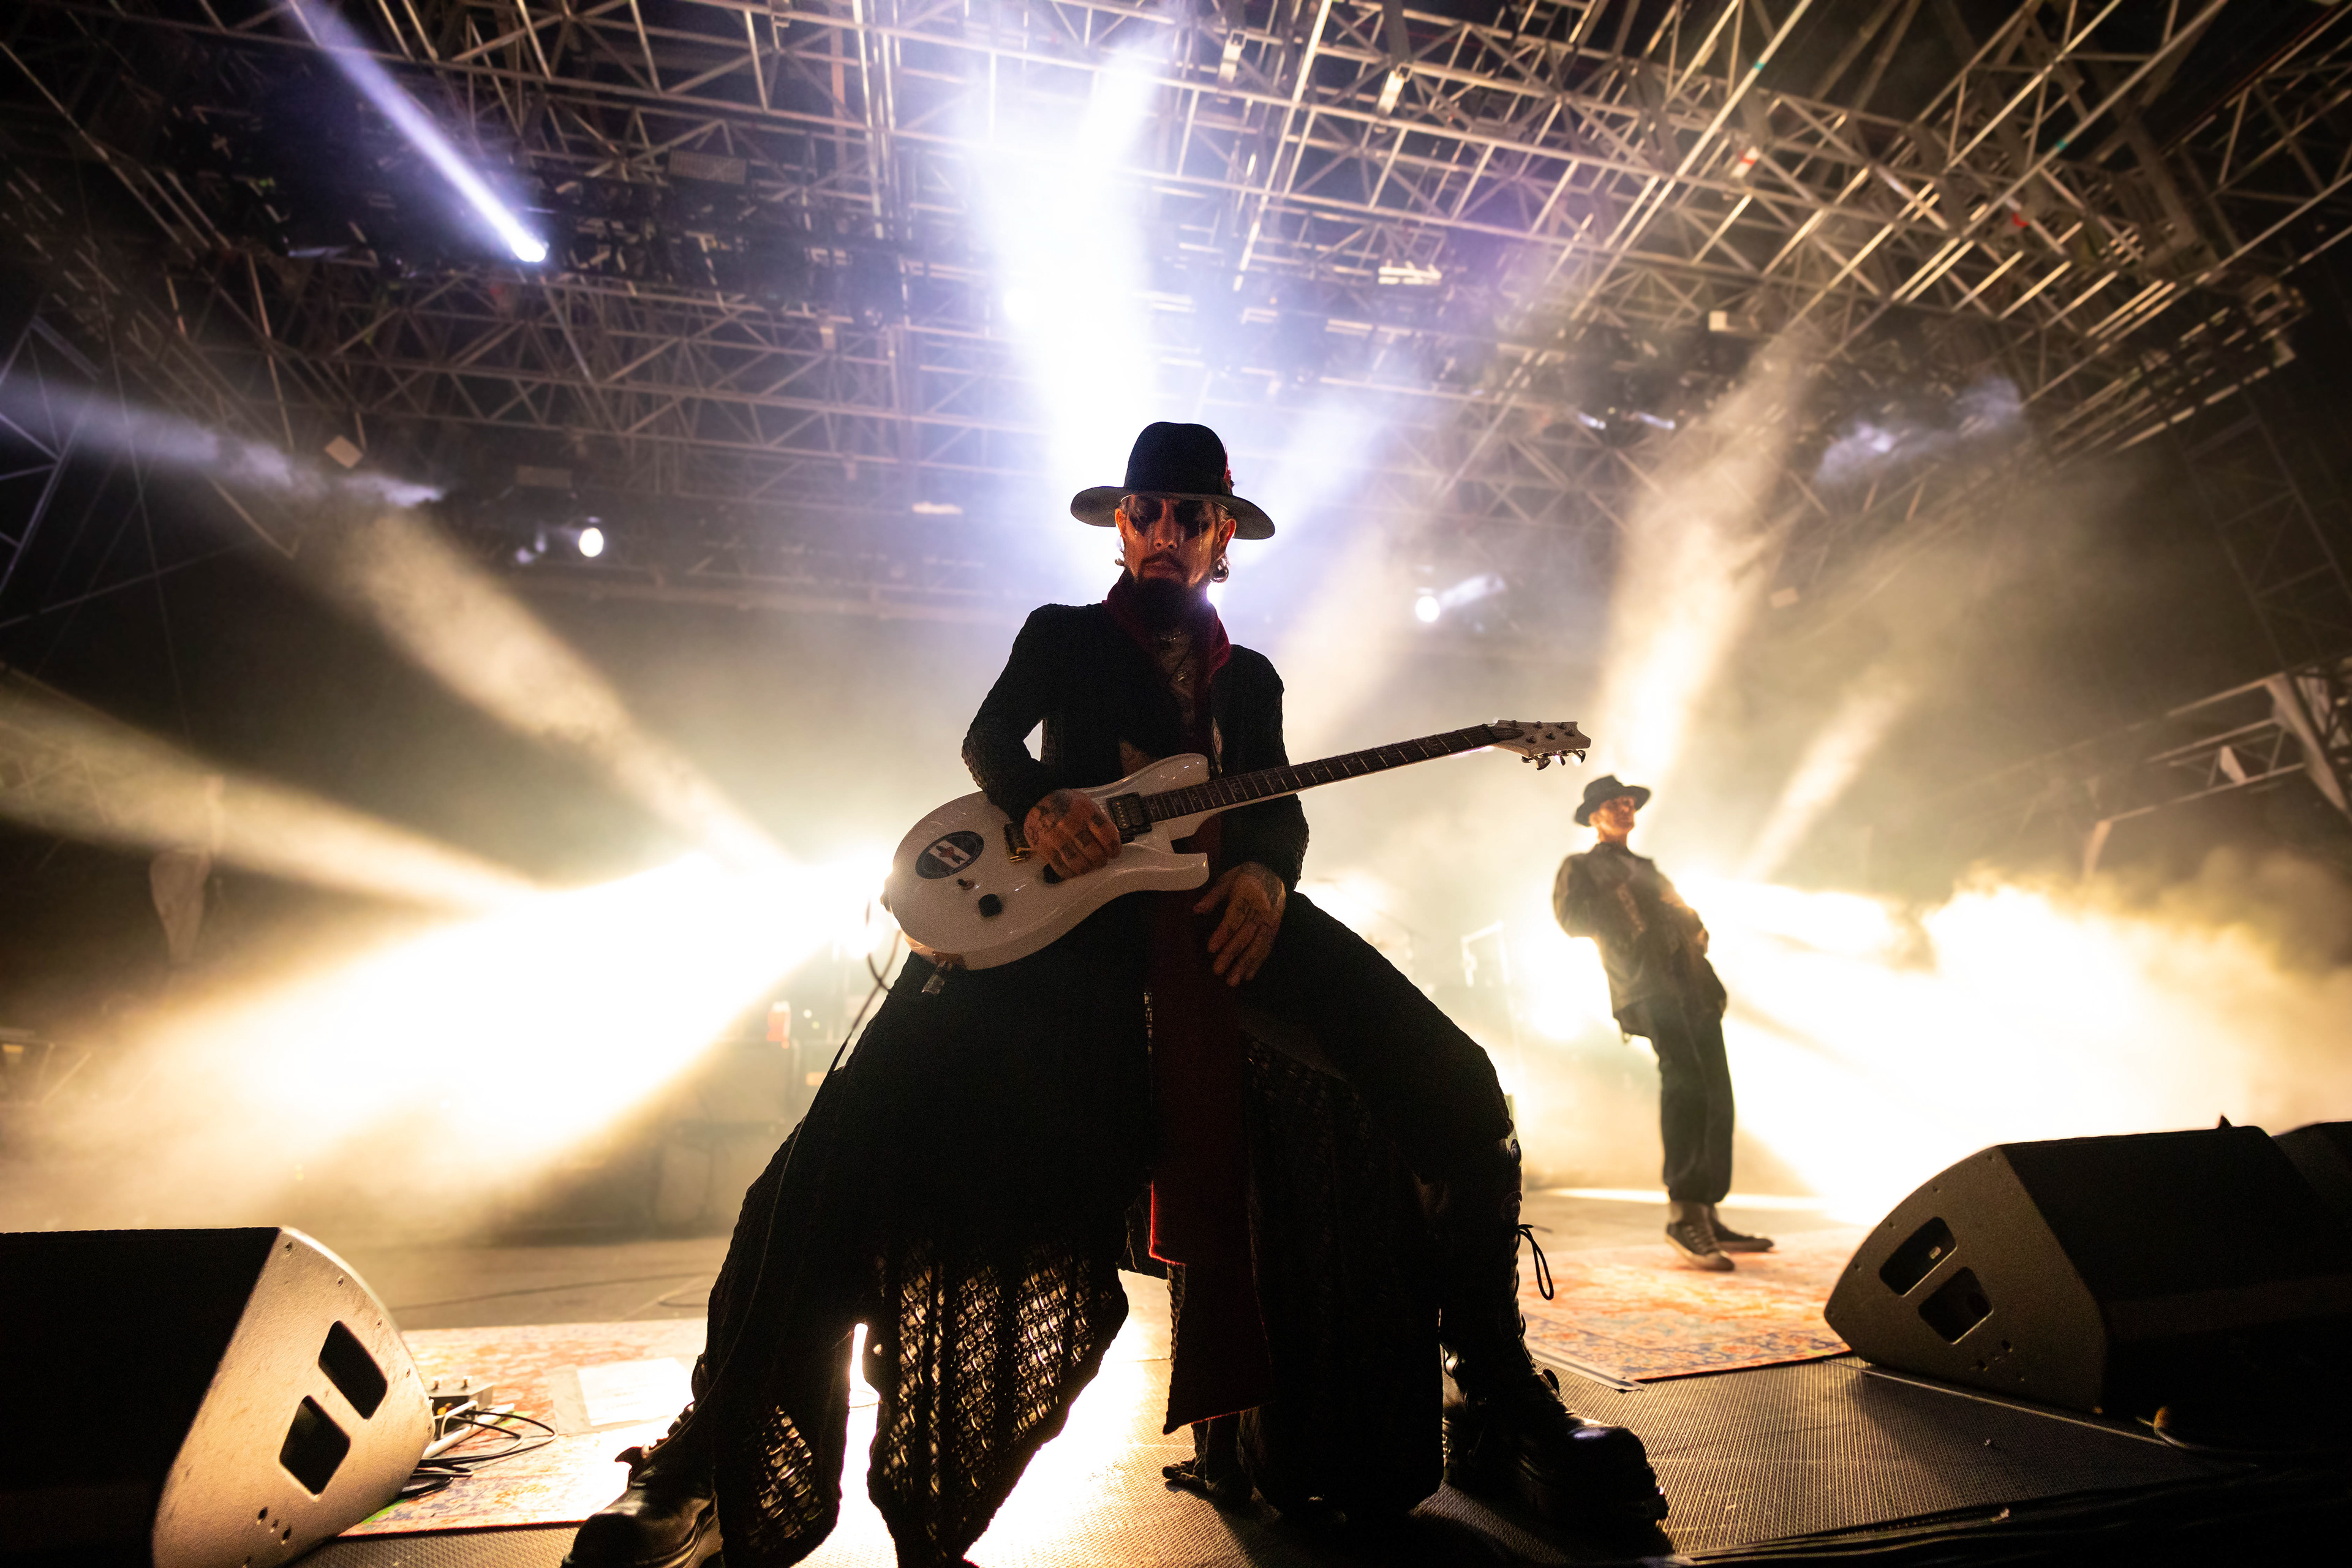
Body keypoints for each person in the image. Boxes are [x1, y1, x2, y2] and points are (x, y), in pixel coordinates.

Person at [566, 423, 1665, 1568]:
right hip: (1057, 927)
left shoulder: (1255, 679)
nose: (1167, 534)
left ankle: (1495, 1397)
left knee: (1460, 1087)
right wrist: (1040, 801)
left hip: (1209, 916)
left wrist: (1267, 873)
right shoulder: (1062, 636)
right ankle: (710, 1451)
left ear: (1223, 536)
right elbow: (989, 736)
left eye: (1193, 516)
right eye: (1148, 513)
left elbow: (1277, 801)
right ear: (1122, 523)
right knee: (827, 1159)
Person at [1553, 777, 1772, 1272]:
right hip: (1646, 986)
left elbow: (1685, 912)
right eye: (1614, 804)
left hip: (1693, 985)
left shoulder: (1648, 867)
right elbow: (1570, 919)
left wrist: (1694, 927)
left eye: (1628, 803)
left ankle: (1708, 1212)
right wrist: (1614, 898)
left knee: (1717, 1091)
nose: (1625, 809)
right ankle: (1683, 1213)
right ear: (1594, 816)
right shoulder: (1581, 866)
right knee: (1686, 1081)